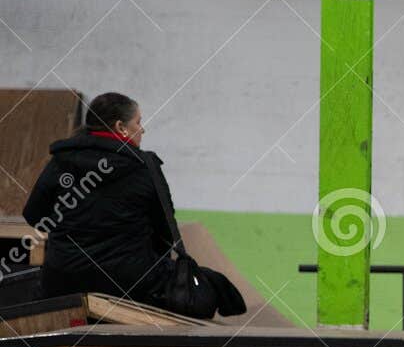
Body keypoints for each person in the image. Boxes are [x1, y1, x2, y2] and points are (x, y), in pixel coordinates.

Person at [22, 92, 241, 317]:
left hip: (63, 280)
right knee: (210, 284)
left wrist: (75, 232)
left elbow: (34, 215)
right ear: (120, 127)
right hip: (131, 284)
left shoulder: (61, 160)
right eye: (138, 122)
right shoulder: (144, 167)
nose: (142, 129)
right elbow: (165, 232)